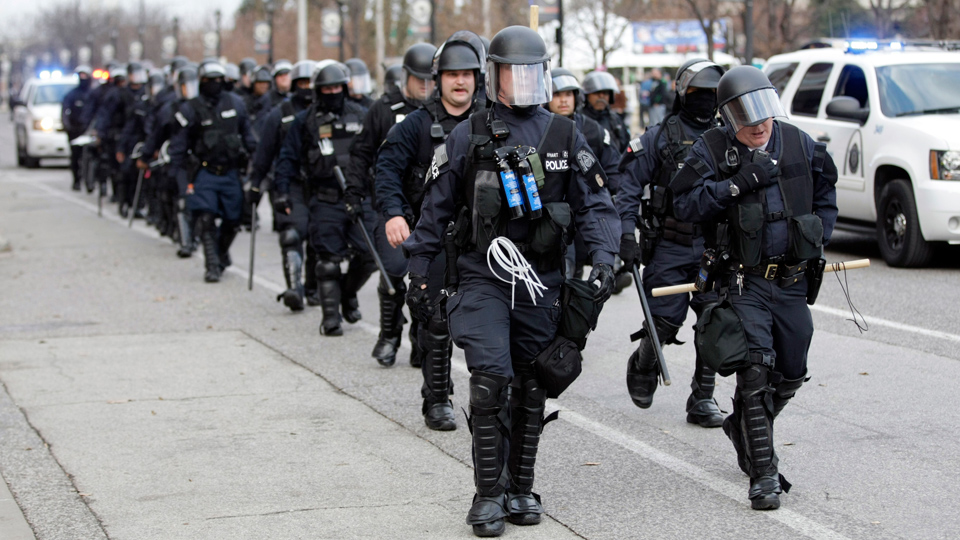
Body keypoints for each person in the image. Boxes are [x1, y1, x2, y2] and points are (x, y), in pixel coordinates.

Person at [403, 26, 619, 537]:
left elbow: (596, 205)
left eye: (531, 71)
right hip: (483, 275)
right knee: (490, 377)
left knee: (532, 384)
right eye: (512, 71)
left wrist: (606, 258)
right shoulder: (468, 133)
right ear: (493, 75)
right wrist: (417, 271)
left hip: (541, 279)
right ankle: (487, 494)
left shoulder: (566, 134)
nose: (522, 81)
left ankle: (521, 486)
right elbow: (434, 208)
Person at [670, 65, 838, 510]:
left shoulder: (798, 141)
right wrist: (738, 184)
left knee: (793, 369)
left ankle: (741, 424)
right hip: (743, 282)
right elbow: (683, 201)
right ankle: (762, 474)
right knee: (755, 370)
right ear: (728, 118)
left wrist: (820, 233)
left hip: (792, 280)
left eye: (763, 111)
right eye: (746, 117)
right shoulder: (710, 149)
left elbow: (827, 188)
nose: (759, 124)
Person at [373, 32, 486, 431]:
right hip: (434, 236)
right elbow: (385, 171)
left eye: (467, 75)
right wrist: (394, 214)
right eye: (452, 74)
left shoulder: (491, 123)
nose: (460, 82)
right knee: (434, 321)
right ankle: (437, 399)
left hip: (482, 239)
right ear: (438, 80)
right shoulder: (416, 125)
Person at [617, 59, 727, 427]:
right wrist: (625, 234)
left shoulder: (728, 133)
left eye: (713, 94)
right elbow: (628, 186)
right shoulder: (659, 136)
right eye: (699, 94)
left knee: (715, 322)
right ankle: (644, 364)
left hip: (716, 247)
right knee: (664, 321)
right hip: (671, 244)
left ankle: (702, 398)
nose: (706, 101)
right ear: (683, 93)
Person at [343, 41, 437, 366]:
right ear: (405, 78)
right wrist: (353, 193)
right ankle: (389, 334)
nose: (425, 88)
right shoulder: (382, 109)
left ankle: (421, 339)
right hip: (393, 206)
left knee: (429, 279)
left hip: (432, 208)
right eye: (419, 81)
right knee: (394, 270)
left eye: (430, 80)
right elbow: (362, 154)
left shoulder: (442, 112)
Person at [274, 63, 374, 336]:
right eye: (327, 88)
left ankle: (347, 292)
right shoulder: (305, 122)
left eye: (337, 87)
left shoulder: (362, 115)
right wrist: (282, 191)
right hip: (325, 198)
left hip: (359, 197)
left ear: (344, 88)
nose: (333, 92)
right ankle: (330, 318)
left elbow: (379, 154)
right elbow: (287, 160)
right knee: (328, 260)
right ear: (318, 91)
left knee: (369, 256)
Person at [169, 61, 257, 282]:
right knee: (206, 217)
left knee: (233, 220)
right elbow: (178, 148)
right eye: (209, 81)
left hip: (231, 172)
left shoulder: (236, 104)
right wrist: (180, 181)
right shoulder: (190, 108)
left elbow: (248, 137)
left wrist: (258, 163)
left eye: (218, 80)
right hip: (205, 172)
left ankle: (220, 252)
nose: (214, 85)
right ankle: (212, 266)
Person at [545, 68, 627, 285]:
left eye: (568, 94)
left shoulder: (594, 131)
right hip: (551, 215)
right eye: (557, 95)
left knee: (584, 278)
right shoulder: (539, 129)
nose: (563, 100)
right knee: (564, 272)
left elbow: (612, 169)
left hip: (585, 210)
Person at [248, 60, 319, 311]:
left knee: (317, 237)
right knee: (292, 233)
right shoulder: (278, 114)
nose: (308, 88)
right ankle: (294, 288)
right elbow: (264, 154)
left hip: (321, 184)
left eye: (312, 82)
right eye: (302, 83)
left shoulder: (328, 113)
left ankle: (313, 287)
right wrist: (255, 185)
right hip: (289, 182)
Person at [62, 65, 95, 191]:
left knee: (91, 157)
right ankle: (77, 180)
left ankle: (90, 181)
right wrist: (67, 125)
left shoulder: (93, 94)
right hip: (75, 130)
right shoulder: (72, 94)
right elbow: (65, 110)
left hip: (89, 130)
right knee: (75, 156)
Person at [581, 70, 630, 153]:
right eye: (597, 93)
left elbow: (625, 147)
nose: (601, 97)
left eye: (605, 93)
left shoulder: (615, 120)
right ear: (586, 95)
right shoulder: (579, 120)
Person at [252, 59, 292, 132]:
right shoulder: (266, 99)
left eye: (286, 74)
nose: (284, 78)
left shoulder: (296, 97)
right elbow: (260, 125)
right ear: (275, 78)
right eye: (280, 75)